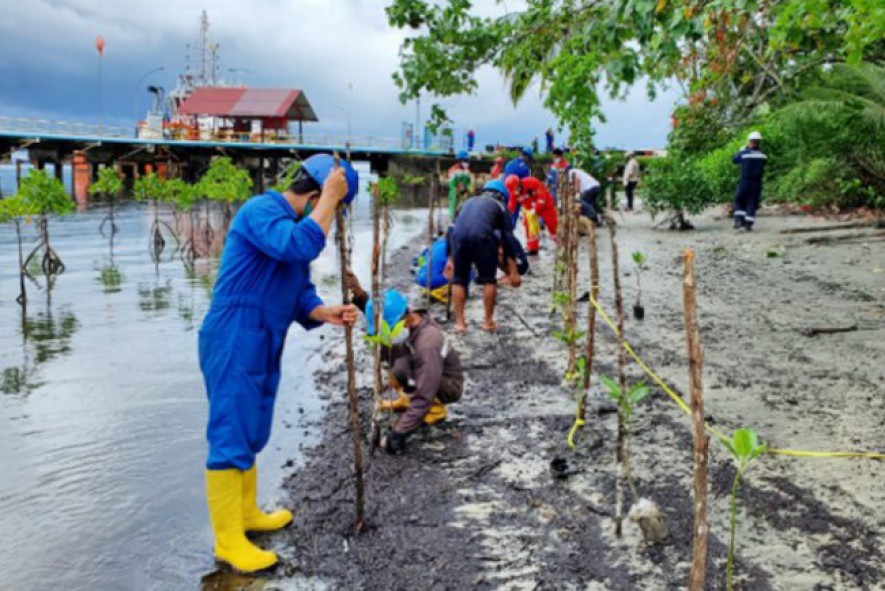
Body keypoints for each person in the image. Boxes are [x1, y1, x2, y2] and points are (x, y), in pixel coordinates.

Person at [198, 154, 359, 573]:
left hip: (262, 336)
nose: (331, 218)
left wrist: (323, 311)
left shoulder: (291, 225)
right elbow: (297, 244)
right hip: (233, 334)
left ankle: (246, 514)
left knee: (252, 427)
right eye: (333, 208)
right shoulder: (262, 211)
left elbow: (297, 288)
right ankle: (228, 541)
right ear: (315, 194)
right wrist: (330, 199)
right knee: (231, 430)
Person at [345, 283, 465, 455]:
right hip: (423, 369)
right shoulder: (410, 324)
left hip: (447, 385)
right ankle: (409, 401)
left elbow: (425, 392)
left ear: (405, 317)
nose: (390, 332)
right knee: (397, 364)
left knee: (413, 378)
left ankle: (435, 410)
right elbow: (381, 317)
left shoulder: (427, 343)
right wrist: (359, 296)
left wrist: (399, 433)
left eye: (391, 327)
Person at [445, 179, 522, 333]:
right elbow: (508, 239)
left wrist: (450, 259)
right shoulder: (500, 207)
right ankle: (488, 321)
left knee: (459, 280)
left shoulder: (467, 202)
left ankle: (460, 324)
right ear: (502, 196)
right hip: (482, 237)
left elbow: (451, 229)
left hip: (459, 237)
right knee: (489, 279)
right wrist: (513, 272)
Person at [505, 174, 558, 255]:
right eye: (513, 191)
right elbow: (511, 207)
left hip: (545, 205)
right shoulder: (513, 194)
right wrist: (505, 216)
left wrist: (535, 209)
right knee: (529, 226)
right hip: (529, 209)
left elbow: (542, 197)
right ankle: (533, 248)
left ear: (519, 184)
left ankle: (559, 241)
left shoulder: (532, 182)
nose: (516, 192)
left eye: (516, 189)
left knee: (552, 224)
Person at [733, 131, 767, 231]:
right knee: (752, 202)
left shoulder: (744, 154)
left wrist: (742, 150)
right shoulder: (763, 155)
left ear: (750, 141)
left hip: (745, 182)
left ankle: (740, 221)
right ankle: (748, 225)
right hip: (757, 183)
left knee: (739, 201)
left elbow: (734, 160)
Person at [447, 150, 474, 220]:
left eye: (467, 160)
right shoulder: (453, 171)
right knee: (454, 212)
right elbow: (452, 186)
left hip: (465, 195)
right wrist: (458, 191)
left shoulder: (467, 171)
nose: (467, 162)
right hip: (455, 195)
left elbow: (469, 182)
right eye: (465, 160)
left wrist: (468, 189)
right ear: (459, 161)